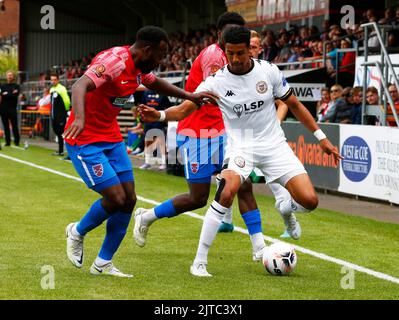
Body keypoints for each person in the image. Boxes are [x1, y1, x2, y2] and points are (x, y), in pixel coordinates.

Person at [139, 26, 342, 277]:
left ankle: (286, 209)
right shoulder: (216, 81)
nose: (235, 59)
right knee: (227, 193)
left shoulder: (268, 71)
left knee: (310, 201)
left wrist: (321, 137)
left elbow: (295, 104)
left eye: (240, 53)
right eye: (230, 53)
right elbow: (183, 110)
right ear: (225, 51)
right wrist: (158, 114)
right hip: (241, 147)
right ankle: (199, 262)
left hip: (274, 146)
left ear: (250, 50)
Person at [63, 25, 217, 278]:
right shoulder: (113, 61)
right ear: (147, 50)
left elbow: (155, 83)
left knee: (130, 199)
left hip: (111, 137)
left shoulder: (139, 68)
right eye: (160, 54)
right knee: (116, 198)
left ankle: (103, 262)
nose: (161, 60)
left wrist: (191, 96)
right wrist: (79, 118)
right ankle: (77, 232)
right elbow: (80, 85)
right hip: (84, 139)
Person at [133, 12, 282, 267]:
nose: (232, 39)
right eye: (228, 33)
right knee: (198, 198)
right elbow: (215, 94)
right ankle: (147, 217)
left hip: (226, 133)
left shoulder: (240, 59)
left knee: (243, 185)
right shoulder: (214, 57)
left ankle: (259, 247)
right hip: (199, 132)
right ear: (219, 36)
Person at [138, 89, 172, 170]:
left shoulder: (162, 93)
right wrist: (142, 120)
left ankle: (163, 163)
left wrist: (165, 119)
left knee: (161, 142)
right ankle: (147, 162)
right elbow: (142, 106)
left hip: (159, 121)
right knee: (147, 142)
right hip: (148, 121)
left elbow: (168, 106)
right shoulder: (146, 93)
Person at [50, 74, 71, 156]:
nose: (53, 81)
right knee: (58, 133)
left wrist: (65, 112)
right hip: (53, 116)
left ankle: (66, 152)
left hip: (60, 116)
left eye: (54, 79)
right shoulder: (52, 89)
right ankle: (60, 150)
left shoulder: (61, 89)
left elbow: (67, 101)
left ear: (58, 80)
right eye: (52, 80)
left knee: (62, 133)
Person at [0, 70, 20, 147]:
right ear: (6, 76)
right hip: (3, 109)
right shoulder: (2, 86)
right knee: (5, 126)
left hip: (12, 109)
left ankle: (16, 141)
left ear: (13, 76)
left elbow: (15, 95)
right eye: (8, 75)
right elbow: (2, 95)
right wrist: (11, 93)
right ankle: (7, 142)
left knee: (14, 126)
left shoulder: (16, 86)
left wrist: (6, 94)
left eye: (11, 75)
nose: (9, 76)